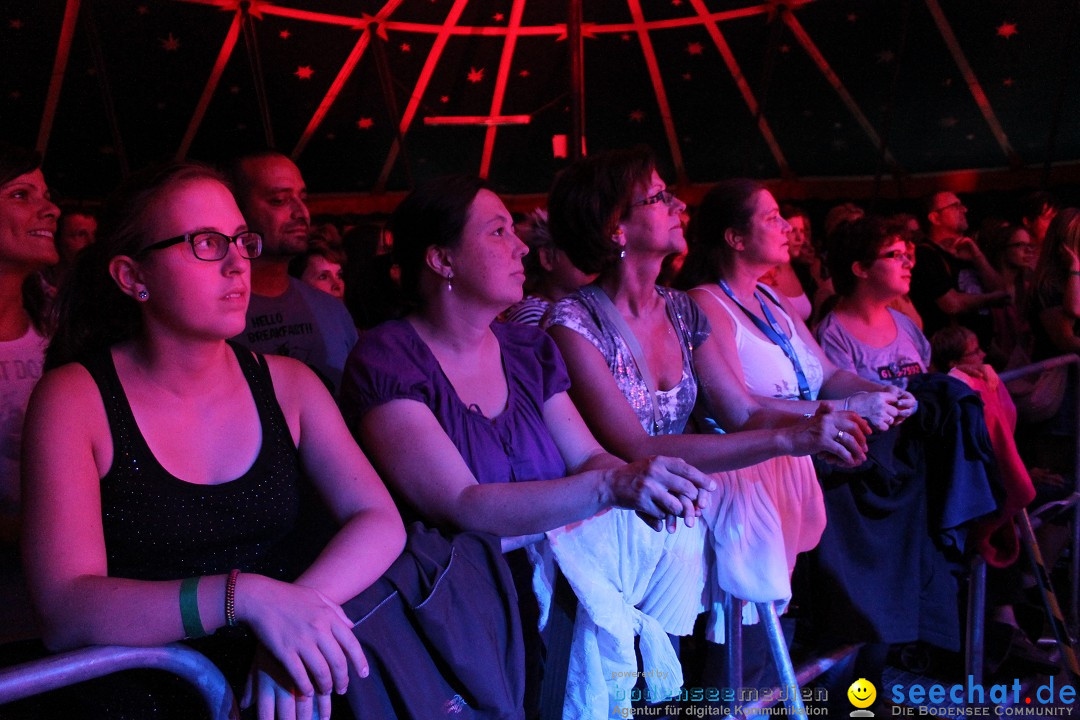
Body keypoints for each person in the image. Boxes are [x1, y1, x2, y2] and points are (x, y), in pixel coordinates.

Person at [23, 162, 405, 719]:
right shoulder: (74, 399)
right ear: (133, 277)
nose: (236, 263)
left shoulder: (289, 385)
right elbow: (66, 607)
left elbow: (378, 519)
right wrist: (245, 597)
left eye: (240, 240)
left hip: (291, 690)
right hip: (149, 698)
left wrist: (292, 621)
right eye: (204, 242)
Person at [339, 174, 717, 719]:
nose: (522, 247)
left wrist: (646, 483)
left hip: (555, 598)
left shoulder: (526, 347)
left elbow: (587, 456)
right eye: (498, 232)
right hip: (462, 620)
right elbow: (463, 502)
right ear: (442, 260)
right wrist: (613, 485)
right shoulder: (388, 359)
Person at [542, 149, 869, 707]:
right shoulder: (571, 321)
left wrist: (826, 417)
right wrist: (790, 438)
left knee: (674, 687)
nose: (677, 205)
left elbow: (740, 409)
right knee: (614, 694)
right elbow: (637, 446)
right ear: (613, 225)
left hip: (677, 528)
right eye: (658, 197)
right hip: (607, 537)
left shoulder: (680, 310)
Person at [226, 151, 358, 394]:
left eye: (302, 198)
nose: (301, 212)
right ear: (237, 208)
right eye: (279, 200)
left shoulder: (331, 310)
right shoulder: (214, 315)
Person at [0, 144, 58, 646]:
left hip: (54, 610)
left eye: (46, 195)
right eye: (22, 194)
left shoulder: (63, 325)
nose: (51, 209)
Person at [813, 216, 931, 388]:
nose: (908, 264)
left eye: (906, 255)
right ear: (861, 268)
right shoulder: (833, 337)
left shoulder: (905, 324)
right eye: (896, 255)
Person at [909, 191, 1009, 347]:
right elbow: (951, 303)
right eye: (955, 206)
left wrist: (978, 257)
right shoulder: (924, 254)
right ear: (935, 218)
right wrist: (991, 298)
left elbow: (1002, 289)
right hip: (953, 355)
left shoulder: (968, 250)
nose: (964, 209)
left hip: (982, 349)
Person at [502, 208, 595, 325]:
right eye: (578, 249)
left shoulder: (567, 309)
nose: (591, 257)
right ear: (547, 258)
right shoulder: (531, 315)